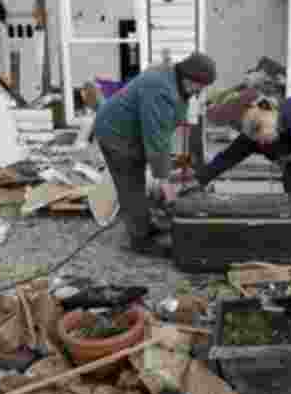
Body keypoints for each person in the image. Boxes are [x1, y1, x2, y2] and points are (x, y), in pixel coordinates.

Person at [93, 51, 217, 257]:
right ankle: (140, 240)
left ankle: (144, 224)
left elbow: (163, 131)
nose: (200, 91)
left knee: (139, 180)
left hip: (132, 131)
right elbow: (157, 139)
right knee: (130, 184)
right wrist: (166, 184)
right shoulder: (159, 89)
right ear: (189, 77)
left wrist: (164, 169)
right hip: (116, 134)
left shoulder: (175, 82)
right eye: (200, 85)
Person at [196, 93, 291, 246]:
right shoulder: (253, 134)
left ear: (268, 111)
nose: (260, 140)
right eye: (254, 136)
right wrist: (199, 179)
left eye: (259, 129)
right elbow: (227, 158)